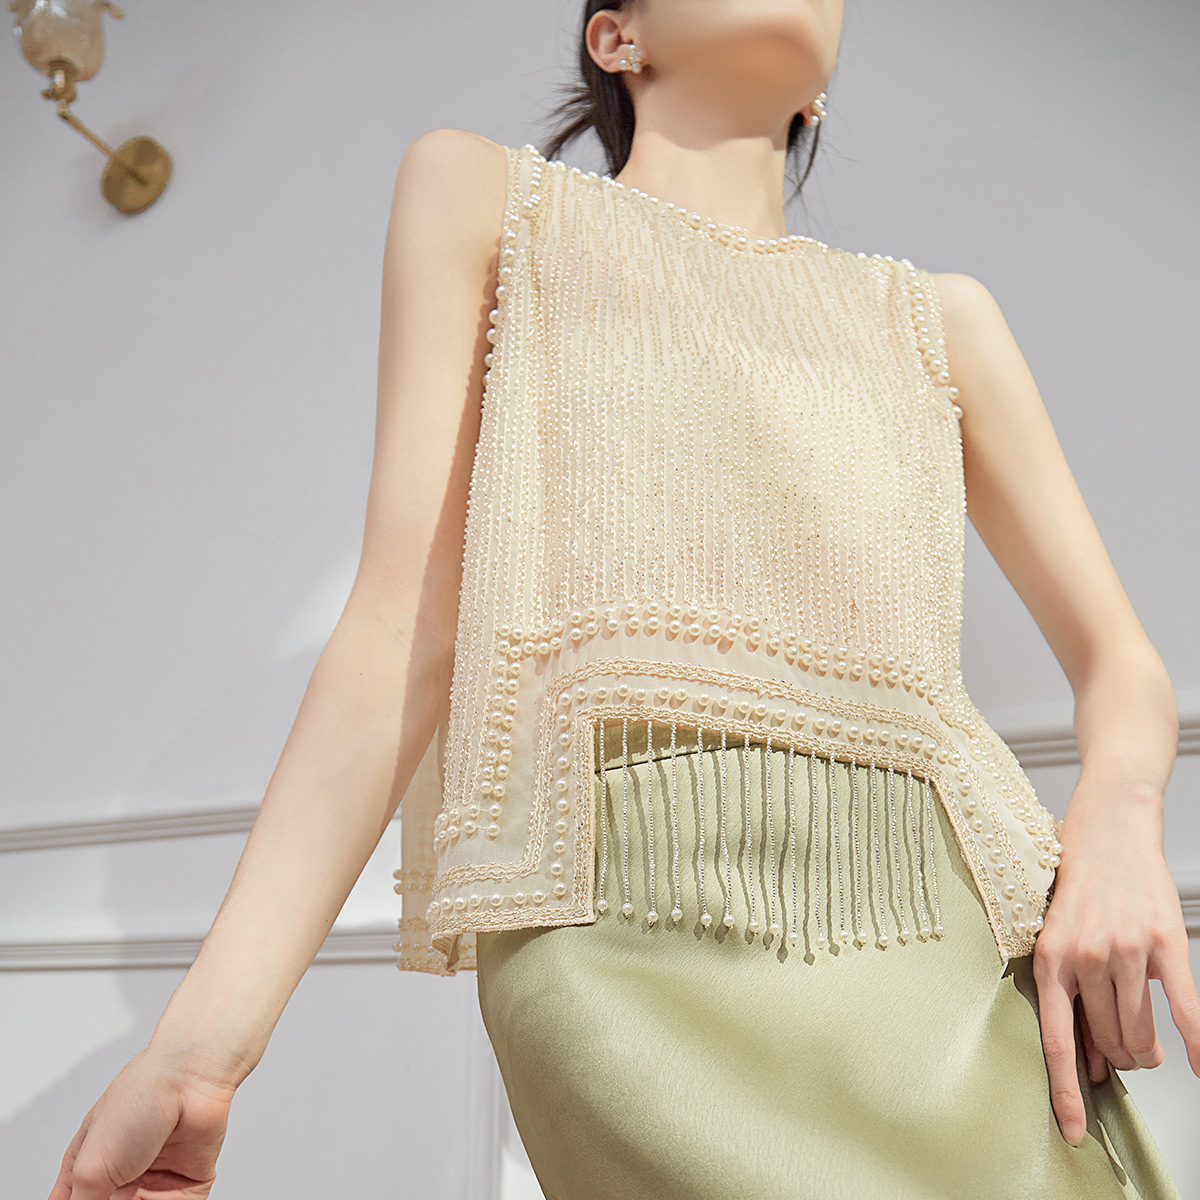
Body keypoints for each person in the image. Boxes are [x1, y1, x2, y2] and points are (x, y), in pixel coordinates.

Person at [49, 2, 1197, 1198]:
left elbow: (1121, 663)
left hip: (949, 951)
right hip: (621, 953)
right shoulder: (488, 203)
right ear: (616, 39)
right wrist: (198, 1057)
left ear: (819, 93)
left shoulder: (939, 322)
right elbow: (402, 631)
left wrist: (1120, 823)